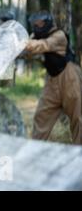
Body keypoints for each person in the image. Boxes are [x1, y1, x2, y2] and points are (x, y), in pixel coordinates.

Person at [25, 11, 82, 145]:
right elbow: (28, 51)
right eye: (35, 24)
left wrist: (22, 43)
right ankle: (35, 151)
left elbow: (43, 45)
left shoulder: (59, 35)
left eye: (40, 23)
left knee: (78, 118)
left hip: (70, 77)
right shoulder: (37, 36)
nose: (37, 26)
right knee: (41, 116)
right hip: (52, 80)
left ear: (47, 22)